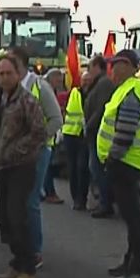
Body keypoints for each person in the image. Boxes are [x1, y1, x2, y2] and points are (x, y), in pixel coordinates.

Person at [0, 54, 47, 278]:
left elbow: (39, 133)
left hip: (21, 167)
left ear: (18, 74)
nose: (4, 78)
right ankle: (16, 262)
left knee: (17, 216)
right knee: (5, 218)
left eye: (8, 73)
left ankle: (28, 269)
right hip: (0, 166)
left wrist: (14, 151)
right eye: (0, 73)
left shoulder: (27, 100)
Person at [98, 49, 140, 278]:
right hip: (126, 162)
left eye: (119, 64)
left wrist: (112, 158)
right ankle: (130, 262)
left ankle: (138, 269)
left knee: (133, 218)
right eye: (112, 64)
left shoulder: (132, 91)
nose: (114, 69)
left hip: (126, 162)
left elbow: (126, 131)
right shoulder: (124, 90)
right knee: (130, 217)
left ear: (132, 67)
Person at [8, 46, 62, 269]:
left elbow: (56, 119)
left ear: (20, 63)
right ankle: (22, 250)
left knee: (30, 201)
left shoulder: (40, 86)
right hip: (16, 154)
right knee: (17, 202)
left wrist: (37, 141)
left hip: (37, 153)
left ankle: (34, 252)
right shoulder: (10, 87)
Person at [83, 55, 115, 218]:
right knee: (94, 168)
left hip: (99, 133)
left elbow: (101, 108)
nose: (88, 71)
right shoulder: (99, 84)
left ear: (98, 67)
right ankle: (103, 201)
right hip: (95, 133)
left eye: (90, 67)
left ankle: (105, 202)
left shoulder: (104, 84)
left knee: (97, 168)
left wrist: (89, 126)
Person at [61, 69, 89, 210]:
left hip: (84, 137)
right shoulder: (75, 93)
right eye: (84, 80)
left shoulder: (92, 94)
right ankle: (76, 198)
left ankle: (82, 198)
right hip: (71, 135)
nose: (86, 83)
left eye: (88, 81)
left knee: (82, 168)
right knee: (73, 168)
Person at [41, 69, 67, 205]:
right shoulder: (45, 90)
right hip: (45, 136)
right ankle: (49, 193)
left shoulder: (49, 89)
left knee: (46, 167)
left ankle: (43, 192)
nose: (59, 83)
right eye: (58, 80)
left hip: (49, 135)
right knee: (46, 167)